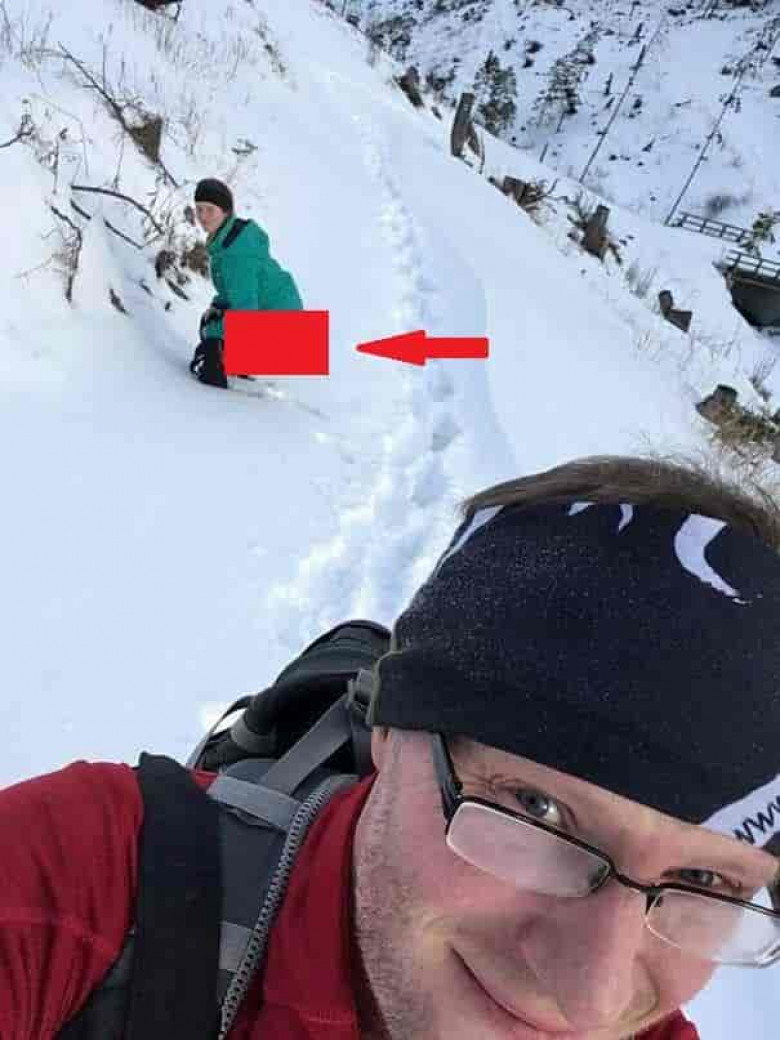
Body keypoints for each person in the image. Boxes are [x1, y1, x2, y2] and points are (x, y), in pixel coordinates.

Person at [3, 454, 780, 1040]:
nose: (591, 997)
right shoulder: (85, 887)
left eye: (706, 878)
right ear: (391, 726)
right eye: (536, 808)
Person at [189, 177, 303, 389]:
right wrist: (217, 306)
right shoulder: (228, 241)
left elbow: (245, 312)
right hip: (289, 328)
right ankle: (240, 364)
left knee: (212, 334)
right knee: (213, 322)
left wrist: (214, 335)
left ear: (225, 212)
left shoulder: (237, 254)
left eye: (210, 210)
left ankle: (235, 375)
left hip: (288, 336)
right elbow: (234, 292)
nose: (203, 216)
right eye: (199, 209)